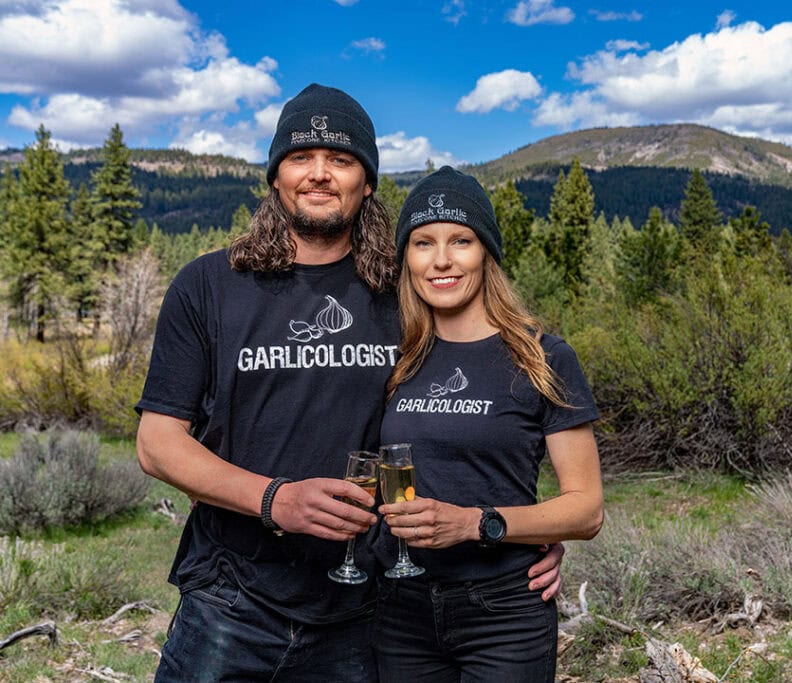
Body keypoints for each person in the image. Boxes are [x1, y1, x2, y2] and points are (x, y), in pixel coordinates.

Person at [135, 83, 562, 682]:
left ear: (367, 183)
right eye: (301, 157)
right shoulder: (208, 285)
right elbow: (158, 443)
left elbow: (476, 409)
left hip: (370, 608)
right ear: (275, 176)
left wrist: (511, 536)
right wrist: (274, 498)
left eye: (341, 159)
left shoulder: (407, 293)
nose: (319, 174)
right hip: (231, 599)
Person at [373, 166, 604, 682]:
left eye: (461, 240)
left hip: (503, 611)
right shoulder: (394, 355)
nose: (441, 260)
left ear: (487, 253)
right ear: (406, 258)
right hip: (398, 609)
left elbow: (586, 509)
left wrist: (479, 524)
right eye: (422, 243)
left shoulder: (542, 357)